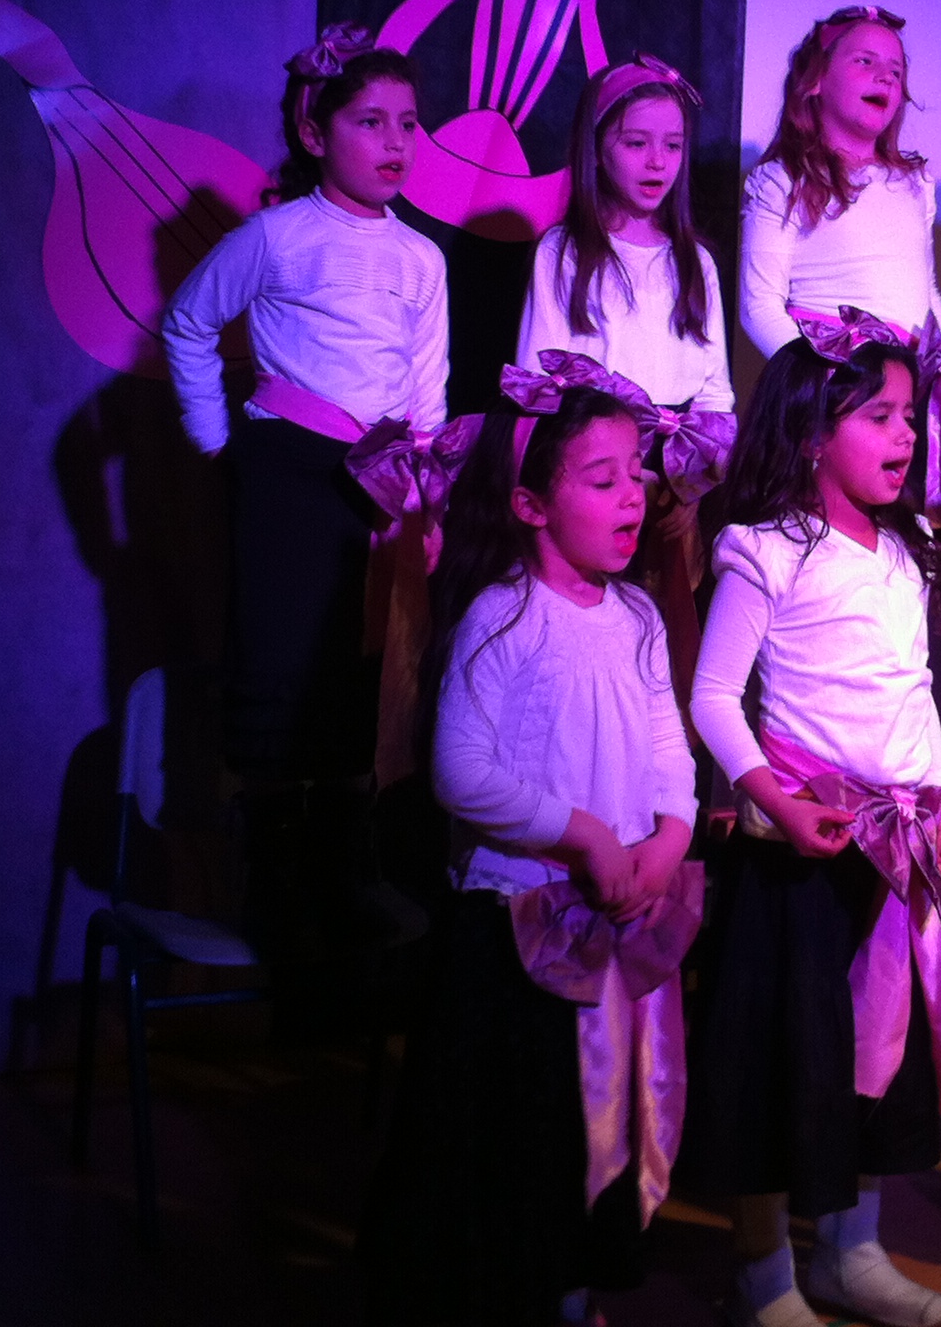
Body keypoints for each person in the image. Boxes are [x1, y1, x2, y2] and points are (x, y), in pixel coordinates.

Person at [360, 368, 698, 1325]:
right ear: (530, 506)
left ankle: (575, 1291)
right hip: (519, 930)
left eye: (637, 473)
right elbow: (460, 771)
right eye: (603, 478)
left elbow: (670, 749)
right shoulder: (503, 616)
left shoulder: (636, 618)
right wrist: (584, 834)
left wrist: (670, 836)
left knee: (598, 1126)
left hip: (619, 921)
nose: (633, 496)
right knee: (520, 1139)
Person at [679, 318, 941, 1327]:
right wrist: (775, 800)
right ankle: (764, 1271)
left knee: (873, 1053)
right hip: (800, 852)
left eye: (911, 416)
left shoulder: (903, 552)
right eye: (879, 416)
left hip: (891, 849)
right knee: (782, 1054)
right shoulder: (767, 548)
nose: (906, 434)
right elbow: (715, 697)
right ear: (810, 432)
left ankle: (853, 1249)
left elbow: (912, 686)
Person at [158, 27, 446, 1005]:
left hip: (380, 481)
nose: (394, 141)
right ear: (315, 133)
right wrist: (220, 442)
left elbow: (426, 384)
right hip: (289, 473)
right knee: (283, 662)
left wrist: (422, 489)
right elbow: (189, 321)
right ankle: (276, 892)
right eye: (370, 122)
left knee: (357, 671)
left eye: (408, 123)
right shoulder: (278, 235)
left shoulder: (421, 258)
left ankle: (342, 883)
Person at [516, 52, 736, 700]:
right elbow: (538, 381)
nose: (656, 161)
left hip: (674, 483)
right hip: (593, 474)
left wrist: (689, 487)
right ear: (597, 147)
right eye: (636, 143)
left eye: (673, 145)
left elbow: (716, 394)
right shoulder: (564, 253)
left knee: (664, 652)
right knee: (589, 644)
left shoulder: (695, 263)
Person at [739, 7, 941, 396]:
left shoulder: (914, 183)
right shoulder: (785, 179)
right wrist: (827, 381)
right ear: (816, 79)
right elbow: (760, 307)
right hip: (836, 391)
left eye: (896, 71)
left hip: (903, 390)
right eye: (865, 62)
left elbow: (925, 295)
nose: (885, 76)